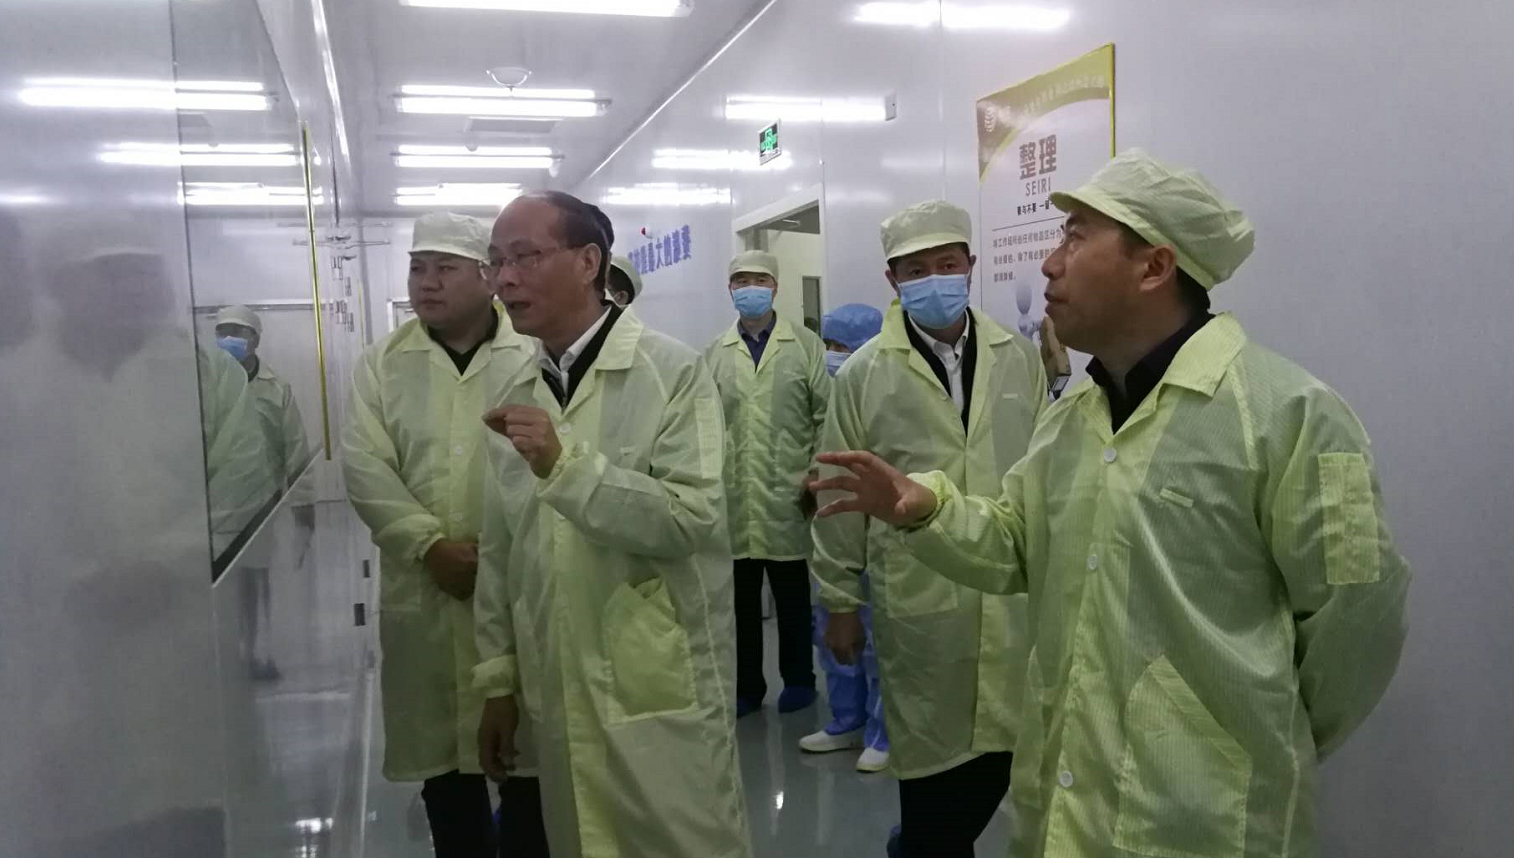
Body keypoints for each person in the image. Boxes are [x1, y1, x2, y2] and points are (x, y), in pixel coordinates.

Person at [813, 150, 1412, 858]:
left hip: (1206, 818)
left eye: (1074, 238)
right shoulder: (1073, 419)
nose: (1048, 265)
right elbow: (1015, 541)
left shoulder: (1291, 416)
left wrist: (1244, 735)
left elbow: (1359, 618)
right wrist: (926, 510)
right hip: (1069, 797)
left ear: (1153, 267)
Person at [474, 191, 752, 858]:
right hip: (555, 673)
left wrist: (565, 467)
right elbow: (501, 547)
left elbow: (690, 516)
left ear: (587, 262)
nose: (505, 280)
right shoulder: (515, 387)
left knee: (682, 842)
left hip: (656, 671)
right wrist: (499, 680)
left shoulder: (673, 372)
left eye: (524, 257)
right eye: (496, 262)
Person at [810, 200, 1049, 858]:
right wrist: (839, 599)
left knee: (1006, 748)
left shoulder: (1017, 357)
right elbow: (840, 487)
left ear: (971, 264)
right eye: (916, 270)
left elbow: (1042, 467)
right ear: (892, 280)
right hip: (917, 584)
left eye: (947, 263)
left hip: (1008, 580)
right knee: (931, 764)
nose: (934, 279)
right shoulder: (864, 374)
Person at [342, 211, 547, 858]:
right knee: (446, 773)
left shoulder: (532, 354)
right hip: (425, 586)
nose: (426, 283)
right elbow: (364, 464)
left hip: (517, 582)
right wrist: (428, 545)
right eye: (417, 268)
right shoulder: (383, 364)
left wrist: (501, 554)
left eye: (445, 268)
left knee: (529, 767)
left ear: (487, 276)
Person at [702, 249, 828, 718]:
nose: (749, 289)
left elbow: (826, 415)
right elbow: (703, 423)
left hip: (790, 492)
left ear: (775, 287)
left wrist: (815, 473)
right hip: (734, 492)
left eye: (759, 280)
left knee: (793, 596)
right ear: (730, 290)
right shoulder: (714, 353)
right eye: (741, 281)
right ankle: (746, 687)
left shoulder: (806, 346)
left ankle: (799, 679)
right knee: (739, 604)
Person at [800, 302, 891, 772]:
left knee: (876, 637)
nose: (834, 355)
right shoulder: (828, 393)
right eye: (829, 345)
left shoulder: (882, 390)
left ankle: (883, 730)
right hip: (831, 524)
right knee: (832, 627)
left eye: (843, 347)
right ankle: (846, 720)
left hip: (874, 532)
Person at [215, 304, 314, 680]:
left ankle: (256, 652)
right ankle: (224, 658)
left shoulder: (276, 389)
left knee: (254, 582)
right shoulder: (203, 382)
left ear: (256, 339)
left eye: (239, 332)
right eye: (223, 331)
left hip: (259, 506)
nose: (230, 338)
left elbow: (295, 447)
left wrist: (304, 505)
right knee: (219, 590)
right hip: (212, 506)